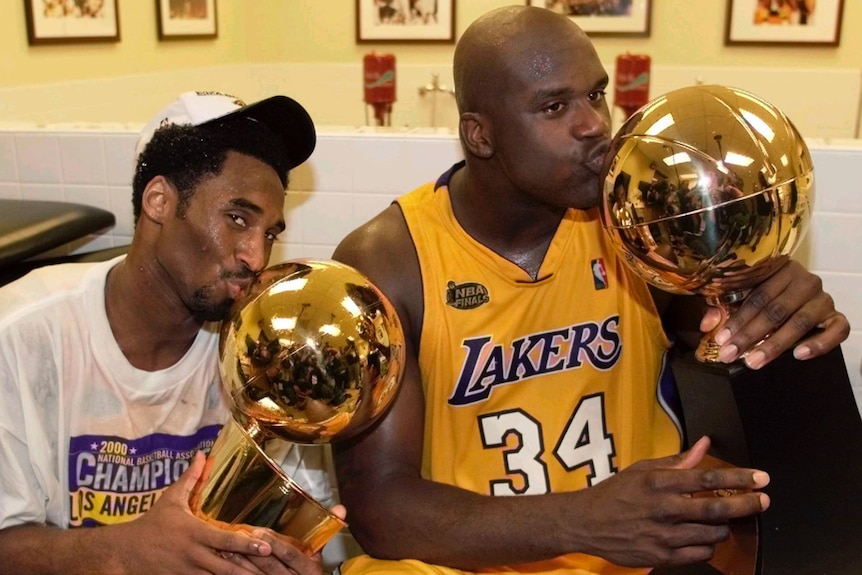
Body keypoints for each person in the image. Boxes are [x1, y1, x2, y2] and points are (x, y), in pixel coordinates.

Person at [330, 6, 850, 575]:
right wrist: (580, 521)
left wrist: (773, 301)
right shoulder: (390, 259)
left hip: (642, 562)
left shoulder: (643, 222)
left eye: (596, 96)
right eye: (555, 107)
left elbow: (719, 330)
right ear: (480, 135)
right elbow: (379, 508)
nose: (594, 125)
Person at [0, 91, 343, 575]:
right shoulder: (21, 334)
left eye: (269, 232)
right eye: (238, 218)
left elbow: (296, 538)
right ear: (159, 200)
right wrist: (127, 552)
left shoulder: (264, 354)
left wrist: (293, 560)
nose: (256, 257)